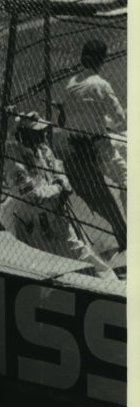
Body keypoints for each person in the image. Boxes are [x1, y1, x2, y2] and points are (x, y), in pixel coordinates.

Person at [7, 111, 117, 279]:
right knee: (43, 268)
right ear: (23, 135)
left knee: (86, 257)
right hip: (34, 225)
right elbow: (33, 197)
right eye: (37, 131)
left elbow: (61, 175)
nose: (44, 134)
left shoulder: (44, 150)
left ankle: (114, 288)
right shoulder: (14, 161)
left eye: (43, 130)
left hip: (59, 216)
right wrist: (59, 188)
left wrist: (61, 185)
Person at [58, 38, 126, 252]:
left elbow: (69, 118)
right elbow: (120, 120)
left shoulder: (70, 84)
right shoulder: (101, 84)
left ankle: (124, 233)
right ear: (102, 59)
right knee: (129, 182)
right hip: (100, 147)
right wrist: (103, 121)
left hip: (79, 148)